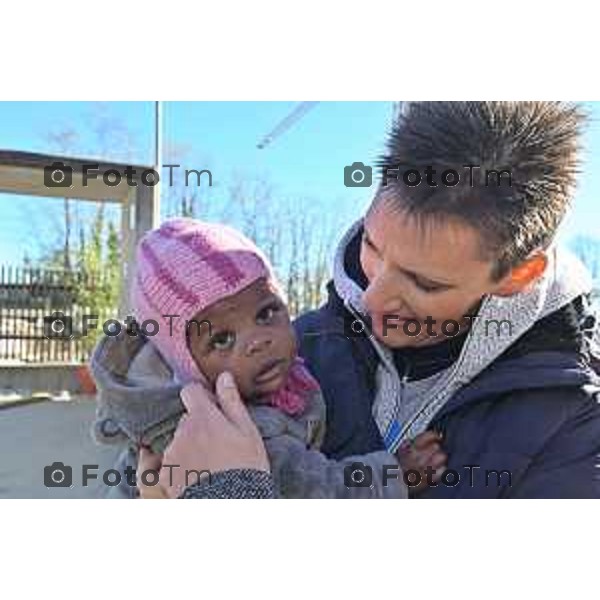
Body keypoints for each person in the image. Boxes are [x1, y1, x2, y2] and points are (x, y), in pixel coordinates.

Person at [112, 101, 600, 498]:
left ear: (519, 274)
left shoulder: (573, 423)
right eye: (372, 247)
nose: (374, 297)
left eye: (424, 284)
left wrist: (228, 500)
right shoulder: (293, 349)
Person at [90, 218, 445, 498]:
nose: (258, 341)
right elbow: (313, 492)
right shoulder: (226, 430)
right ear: (185, 364)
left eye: (266, 313)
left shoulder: (281, 375)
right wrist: (394, 475)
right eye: (222, 339)